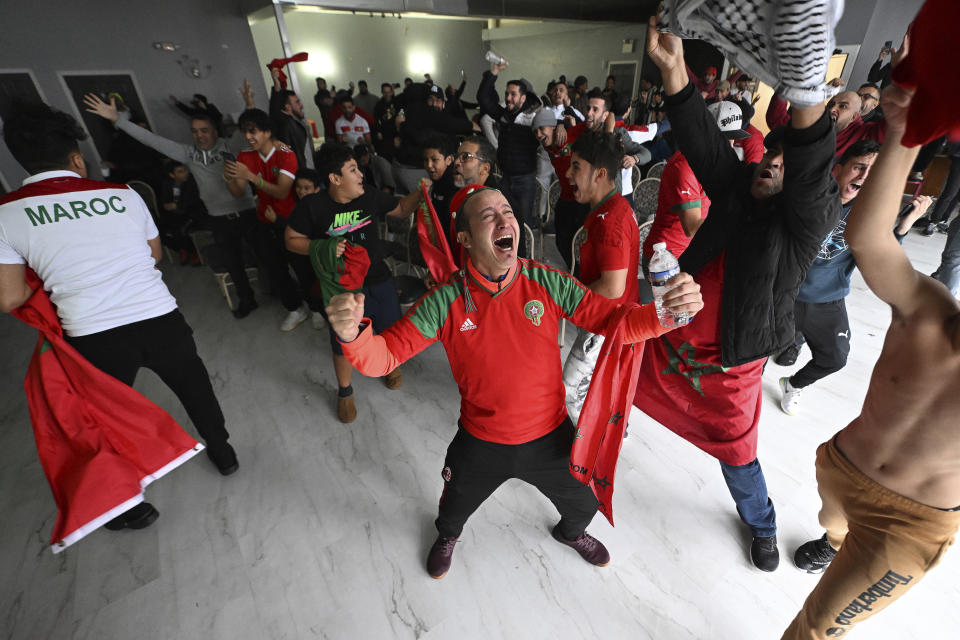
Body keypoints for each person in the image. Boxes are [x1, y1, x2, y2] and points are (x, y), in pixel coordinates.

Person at [324, 185, 704, 579]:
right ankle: (449, 536)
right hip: (481, 439)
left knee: (584, 506)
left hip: (550, 435)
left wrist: (667, 314)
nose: (504, 219)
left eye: (506, 209)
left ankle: (570, 534)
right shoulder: (445, 300)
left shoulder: (545, 281)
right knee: (452, 509)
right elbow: (383, 356)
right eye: (488, 215)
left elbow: (613, 321)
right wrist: (352, 335)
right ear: (465, 239)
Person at [638, 16, 842, 572]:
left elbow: (810, 174)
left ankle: (762, 524)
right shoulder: (736, 189)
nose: (770, 166)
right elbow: (703, 142)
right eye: (766, 159)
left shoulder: (800, 226)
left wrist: (804, 90)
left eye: (782, 166)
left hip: (731, 366)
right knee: (611, 379)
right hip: (671, 339)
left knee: (739, 457)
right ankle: (581, 457)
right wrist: (675, 71)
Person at [0, 102, 240, 529]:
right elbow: (154, 254)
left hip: (93, 335)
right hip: (159, 316)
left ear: (22, 161)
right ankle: (223, 452)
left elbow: (10, 297)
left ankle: (125, 504)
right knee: (194, 385)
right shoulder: (122, 194)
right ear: (76, 158)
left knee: (103, 417)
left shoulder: (6, 213)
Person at [783, 80, 960, 640]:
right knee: (832, 528)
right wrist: (904, 133)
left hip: (907, 526)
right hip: (839, 468)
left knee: (814, 628)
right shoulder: (929, 310)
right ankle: (836, 542)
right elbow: (869, 239)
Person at [776, 141, 930, 414]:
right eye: (859, 167)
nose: (863, 177)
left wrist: (905, 225)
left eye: (871, 173)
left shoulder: (869, 214)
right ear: (837, 170)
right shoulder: (808, 198)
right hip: (781, 293)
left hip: (826, 300)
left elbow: (882, 261)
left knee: (835, 358)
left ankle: (794, 384)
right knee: (756, 352)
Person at [82, 93, 264, 319]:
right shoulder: (188, 154)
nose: (199, 135)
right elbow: (151, 139)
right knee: (233, 263)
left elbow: (248, 129)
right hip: (218, 218)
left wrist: (249, 104)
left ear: (215, 131)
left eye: (204, 130)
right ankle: (247, 300)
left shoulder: (229, 146)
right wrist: (118, 120)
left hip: (247, 212)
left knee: (266, 256)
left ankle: (279, 293)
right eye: (195, 131)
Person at [284, 144, 421, 423]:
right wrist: (322, 246)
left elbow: (402, 208)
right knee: (343, 342)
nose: (361, 174)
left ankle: (389, 366)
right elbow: (291, 240)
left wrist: (423, 190)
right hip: (341, 286)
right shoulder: (313, 206)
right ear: (335, 179)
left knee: (390, 328)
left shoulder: (369, 196)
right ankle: (345, 391)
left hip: (377, 276)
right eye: (353, 170)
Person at [560, 131, 640, 423]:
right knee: (599, 386)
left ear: (600, 174)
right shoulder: (611, 207)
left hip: (605, 325)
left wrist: (566, 300)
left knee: (569, 391)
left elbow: (612, 287)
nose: (568, 175)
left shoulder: (611, 222)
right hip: (610, 322)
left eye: (576, 167)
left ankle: (584, 454)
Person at [225, 108, 321, 331]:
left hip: (293, 222)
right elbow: (238, 192)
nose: (248, 137)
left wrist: (250, 177)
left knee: (304, 269)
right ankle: (296, 309)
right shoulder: (244, 156)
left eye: (253, 131)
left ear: (268, 132)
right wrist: (229, 177)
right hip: (265, 223)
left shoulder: (285, 152)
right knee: (275, 270)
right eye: (245, 132)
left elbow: (281, 191)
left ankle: (316, 308)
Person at [476, 60, 541, 235]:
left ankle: (523, 261)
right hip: (505, 179)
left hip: (525, 181)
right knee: (503, 222)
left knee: (523, 226)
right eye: (507, 94)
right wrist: (494, 72)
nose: (508, 98)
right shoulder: (504, 115)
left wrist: (560, 126)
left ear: (523, 97)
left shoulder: (533, 118)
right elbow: (483, 98)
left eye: (513, 94)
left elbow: (552, 126)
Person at [269, 68, 315, 171]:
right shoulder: (286, 123)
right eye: (297, 102)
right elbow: (275, 114)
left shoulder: (298, 124)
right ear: (288, 107)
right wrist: (277, 87)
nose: (301, 105)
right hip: (297, 175)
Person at [157, 159, 202, 265]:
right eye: (180, 171)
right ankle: (182, 249)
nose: (185, 173)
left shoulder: (191, 181)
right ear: (172, 175)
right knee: (158, 231)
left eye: (184, 170)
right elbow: (164, 202)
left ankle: (193, 252)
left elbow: (192, 200)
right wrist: (167, 206)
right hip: (174, 214)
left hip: (191, 213)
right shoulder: (168, 184)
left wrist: (176, 205)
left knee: (181, 229)